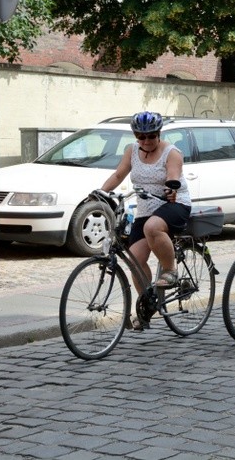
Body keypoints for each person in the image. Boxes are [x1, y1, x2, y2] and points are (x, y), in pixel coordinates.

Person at [100, 111, 192, 330]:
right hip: (146, 209)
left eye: (151, 136)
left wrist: (171, 187)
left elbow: (173, 174)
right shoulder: (131, 151)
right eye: (141, 136)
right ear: (135, 136)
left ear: (158, 134)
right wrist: (100, 192)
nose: (146, 141)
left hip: (173, 204)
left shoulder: (172, 152)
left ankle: (170, 270)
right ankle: (148, 304)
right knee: (135, 260)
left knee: (153, 227)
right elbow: (118, 175)